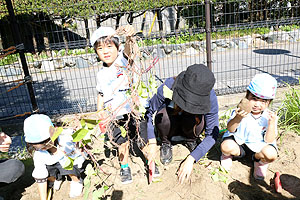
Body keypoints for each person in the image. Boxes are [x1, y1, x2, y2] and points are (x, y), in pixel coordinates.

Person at [90, 25, 159, 184]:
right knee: (122, 142)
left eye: (109, 46)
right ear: (96, 52)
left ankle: (151, 164)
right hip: (114, 114)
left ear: (117, 47)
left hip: (134, 111)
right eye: (100, 48)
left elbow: (130, 51)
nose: (105, 51)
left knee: (143, 141)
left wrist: (129, 37)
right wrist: (100, 112)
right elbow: (101, 93)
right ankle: (125, 167)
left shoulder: (123, 60)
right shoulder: (101, 74)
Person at [145, 64, 219, 184]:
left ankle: (190, 140)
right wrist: (152, 142)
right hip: (169, 125)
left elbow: (212, 134)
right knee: (162, 116)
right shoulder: (169, 86)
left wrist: (192, 158)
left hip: (189, 127)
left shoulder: (209, 97)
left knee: (199, 119)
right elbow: (148, 113)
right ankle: (166, 142)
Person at [220, 73, 278, 180]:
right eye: (254, 99)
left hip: (258, 148)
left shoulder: (269, 117)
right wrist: (237, 118)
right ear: (247, 95)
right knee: (226, 146)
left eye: (263, 101)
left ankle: (260, 162)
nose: (257, 104)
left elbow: (269, 140)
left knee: (271, 154)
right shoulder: (240, 111)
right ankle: (227, 156)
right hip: (239, 144)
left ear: (269, 102)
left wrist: (271, 124)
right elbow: (230, 129)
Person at [24, 114, 86, 199]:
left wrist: (56, 151)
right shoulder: (38, 154)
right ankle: (57, 178)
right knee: (47, 171)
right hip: (53, 164)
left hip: (70, 161)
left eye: (47, 143)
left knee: (67, 166)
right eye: (41, 148)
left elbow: (77, 157)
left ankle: (77, 181)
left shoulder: (66, 139)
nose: (45, 147)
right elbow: (40, 175)